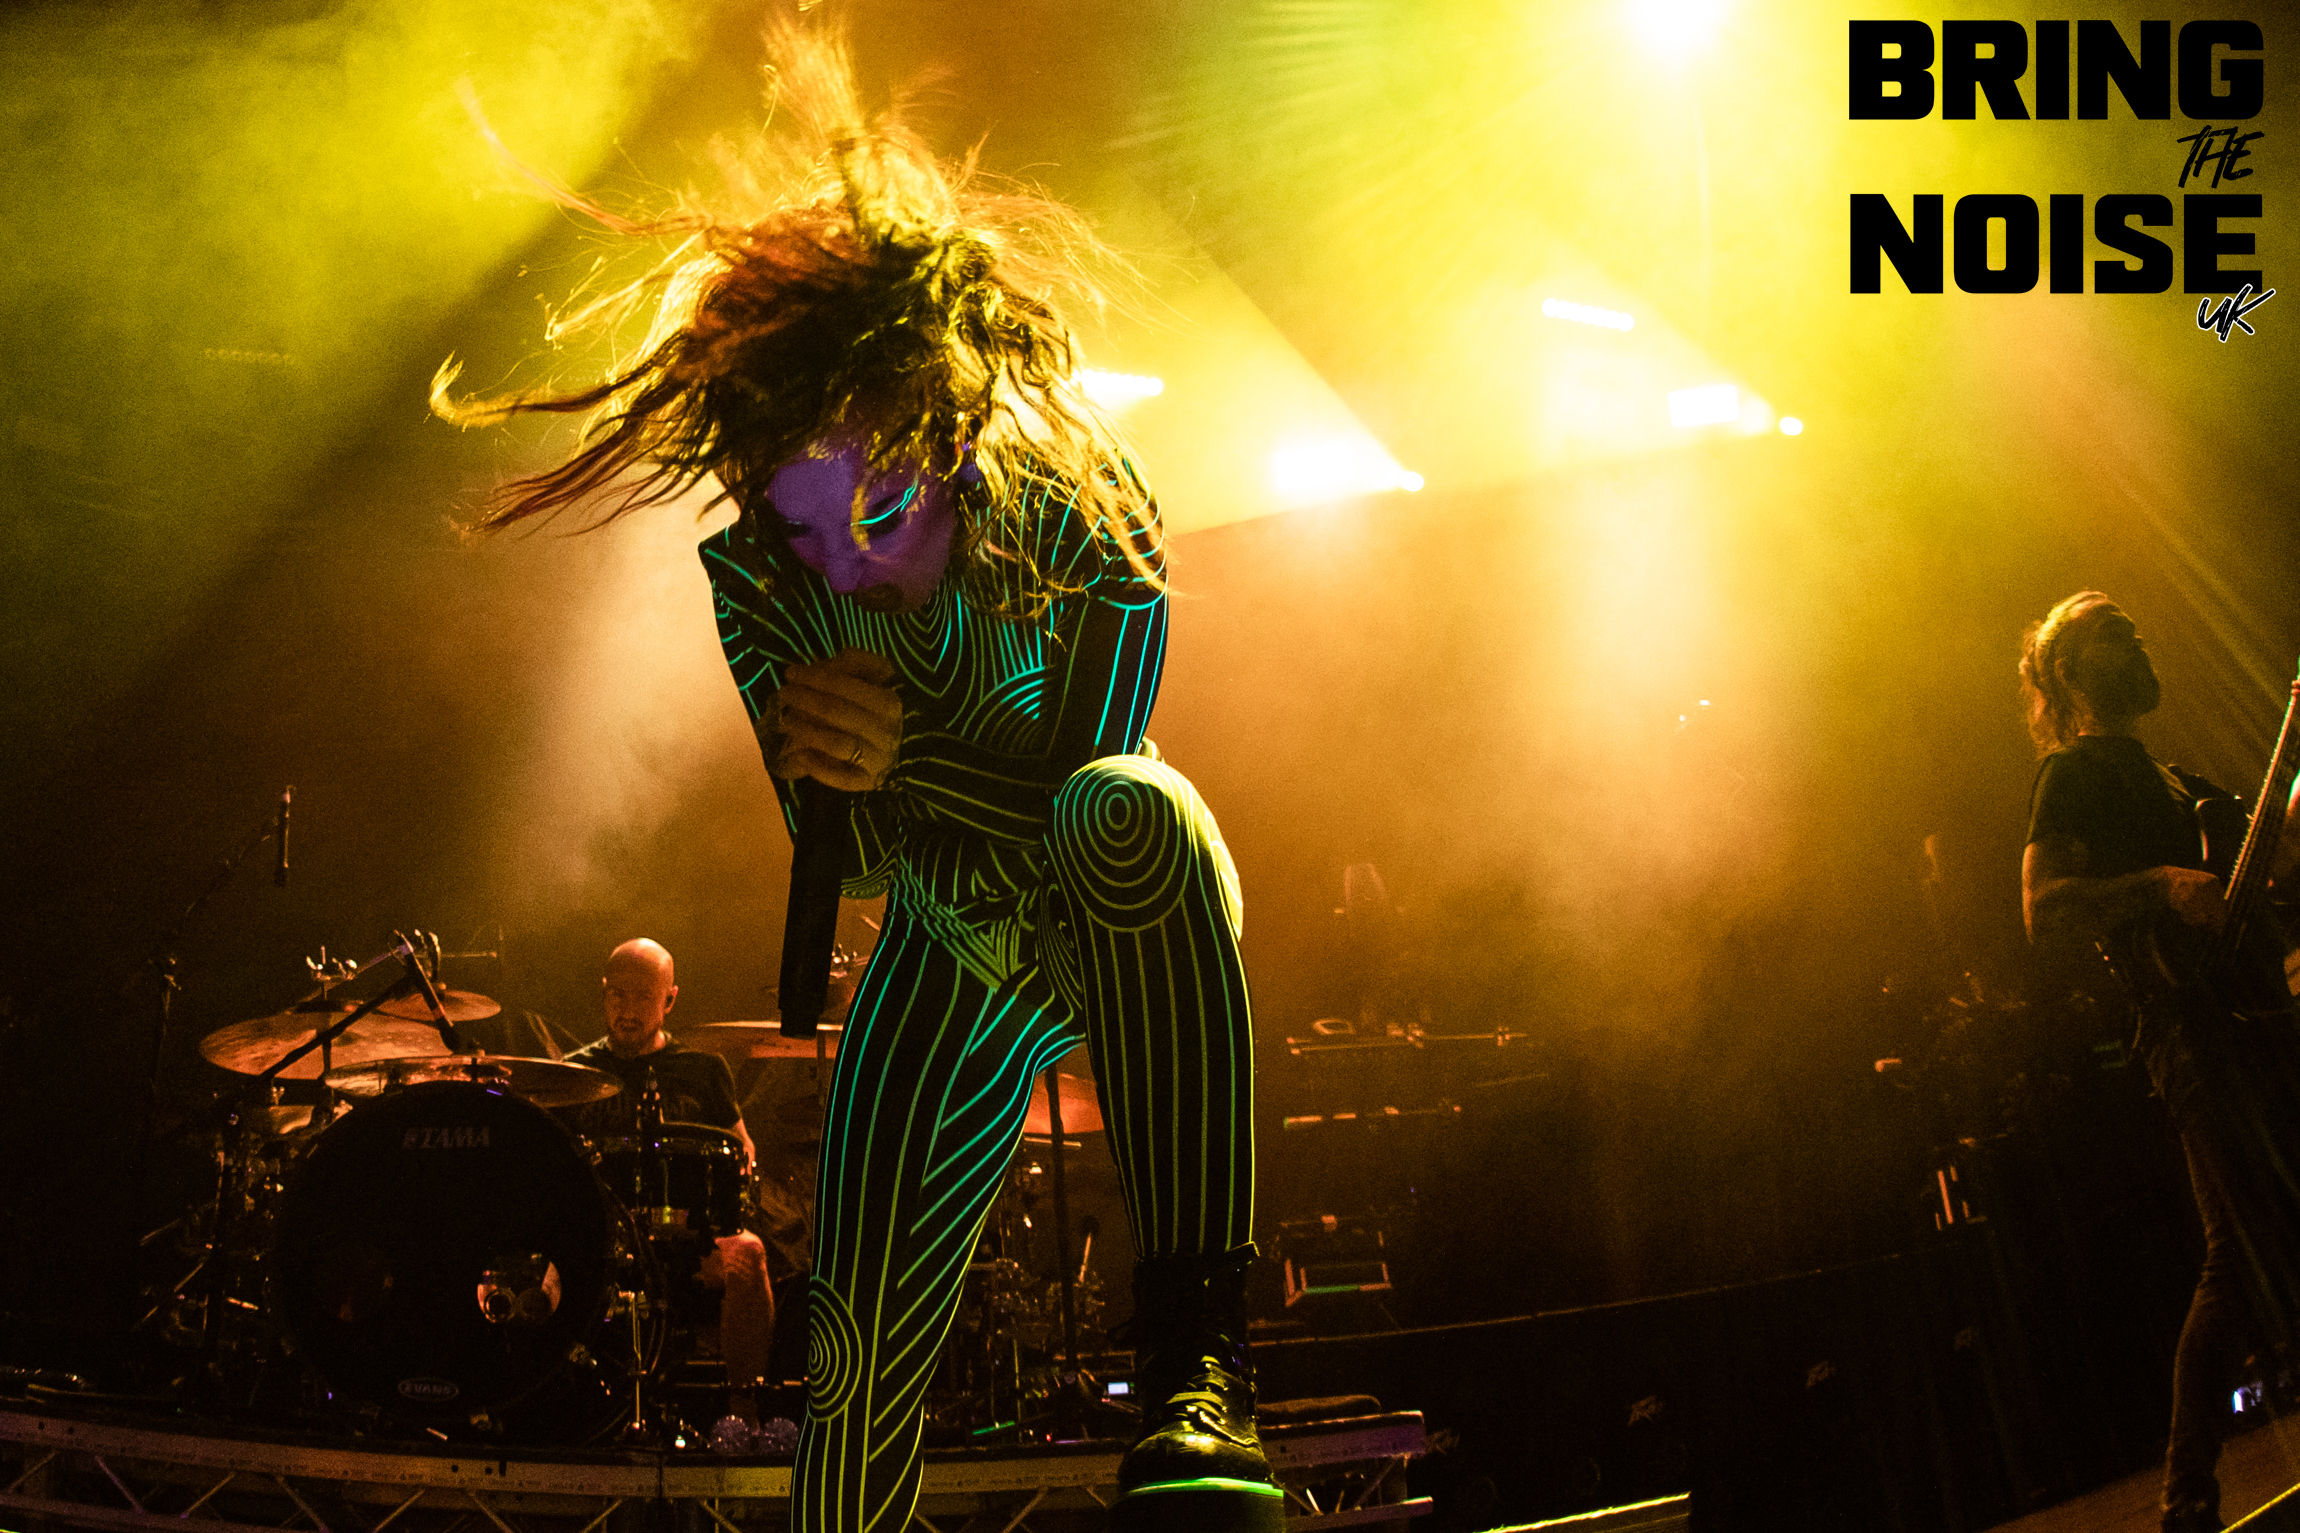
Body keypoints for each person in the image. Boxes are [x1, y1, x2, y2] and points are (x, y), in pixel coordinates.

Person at [437, 21, 1275, 1532]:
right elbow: (867, 868)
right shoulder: (760, 578)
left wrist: (914, 752)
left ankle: (1196, 1369)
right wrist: (842, 779)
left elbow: (1086, 784)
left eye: (869, 512)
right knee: (852, 1377)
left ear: (936, 430)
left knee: (1132, 810)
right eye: (798, 518)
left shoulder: (1088, 503)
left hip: (1110, 905)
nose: (835, 557)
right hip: (944, 951)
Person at [2019, 592, 2300, 1533]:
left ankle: (2187, 1495)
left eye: (2137, 628)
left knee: (2249, 1250)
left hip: (2257, 1017)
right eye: (2115, 633)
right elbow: (2044, 905)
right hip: (2192, 1028)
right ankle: (2185, 1492)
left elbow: (2269, 864)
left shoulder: (2177, 780)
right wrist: (2160, 884)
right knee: (2239, 1254)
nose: (2139, 639)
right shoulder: (2071, 773)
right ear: (2069, 673)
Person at [563, 939, 776, 1401]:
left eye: (643, 996)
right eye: (617, 995)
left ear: (670, 1000)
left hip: (684, 1227)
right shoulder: (570, 1074)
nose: (627, 1009)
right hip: (600, 1233)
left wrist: (734, 1188)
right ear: (603, 993)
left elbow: (742, 1146)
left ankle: (744, 1409)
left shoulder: (703, 1070)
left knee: (748, 1255)